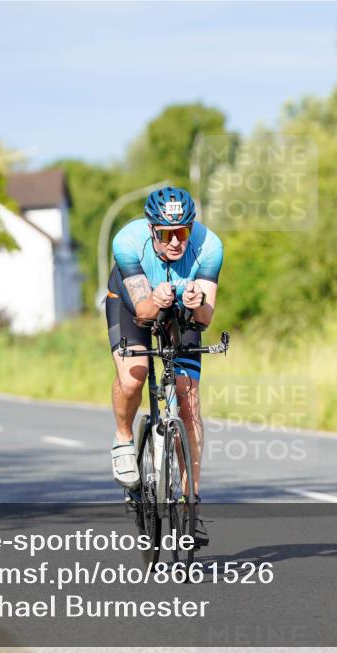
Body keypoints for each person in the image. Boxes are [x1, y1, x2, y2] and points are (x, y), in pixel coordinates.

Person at [105, 186, 223, 541]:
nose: (176, 242)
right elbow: (143, 313)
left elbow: (204, 319)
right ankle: (124, 440)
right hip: (131, 302)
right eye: (167, 234)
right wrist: (155, 299)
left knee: (188, 400)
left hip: (181, 310)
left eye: (183, 232)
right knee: (134, 376)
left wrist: (196, 300)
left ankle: (192, 504)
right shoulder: (128, 241)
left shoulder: (210, 246)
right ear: (151, 229)